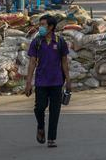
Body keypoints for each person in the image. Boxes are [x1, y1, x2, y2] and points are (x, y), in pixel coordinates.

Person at [25, 15, 71, 148]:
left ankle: (51, 138)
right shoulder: (37, 42)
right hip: (41, 82)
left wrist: (68, 80)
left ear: (51, 27)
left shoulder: (60, 41)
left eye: (43, 24)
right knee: (39, 108)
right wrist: (28, 82)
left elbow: (64, 62)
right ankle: (40, 126)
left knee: (55, 110)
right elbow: (32, 62)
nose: (40, 27)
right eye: (40, 24)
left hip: (57, 81)